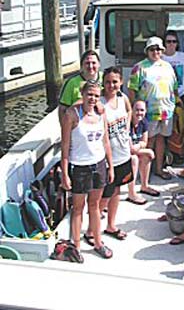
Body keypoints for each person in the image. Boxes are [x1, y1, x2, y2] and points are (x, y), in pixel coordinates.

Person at [61, 79, 113, 259]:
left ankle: (98, 241)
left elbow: (105, 142)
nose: (92, 98)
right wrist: (65, 174)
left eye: (96, 96)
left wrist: (110, 166)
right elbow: (65, 146)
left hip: (98, 165)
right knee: (77, 208)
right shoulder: (72, 115)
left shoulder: (101, 114)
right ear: (82, 95)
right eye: (89, 94)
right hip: (80, 167)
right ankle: (75, 245)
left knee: (95, 206)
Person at [85, 67, 133, 243]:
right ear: (102, 84)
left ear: (121, 82)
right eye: (107, 82)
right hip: (107, 158)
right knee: (103, 197)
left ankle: (111, 225)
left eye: (115, 82)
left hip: (123, 154)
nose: (111, 85)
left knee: (117, 191)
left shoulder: (123, 98)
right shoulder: (100, 104)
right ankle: (91, 230)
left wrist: (127, 125)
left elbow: (129, 111)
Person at [128, 36, 178, 180]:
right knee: (148, 141)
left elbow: (174, 87)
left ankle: (158, 169)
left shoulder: (168, 66)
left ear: (162, 51)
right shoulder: (139, 67)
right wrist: (135, 110)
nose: (155, 51)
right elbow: (132, 89)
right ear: (147, 51)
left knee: (161, 140)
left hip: (166, 111)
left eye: (158, 49)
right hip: (147, 113)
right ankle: (144, 173)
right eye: (152, 49)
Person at [127, 100, 158, 203]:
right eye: (136, 110)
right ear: (131, 110)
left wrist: (140, 147)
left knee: (146, 157)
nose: (139, 113)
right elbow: (129, 149)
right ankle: (131, 193)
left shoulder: (144, 122)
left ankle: (144, 186)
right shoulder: (128, 123)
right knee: (134, 159)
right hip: (122, 153)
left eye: (142, 110)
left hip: (136, 149)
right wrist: (146, 150)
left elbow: (144, 142)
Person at [58, 50, 101, 122]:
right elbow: (63, 108)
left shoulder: (105, 78)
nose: (90, 66)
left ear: (99, 64)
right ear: (82, 66)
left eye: (94, 63)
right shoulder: (72, 83)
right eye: (87, 63)